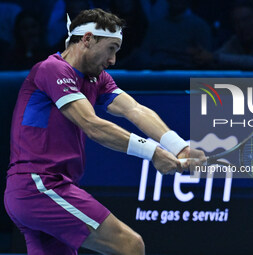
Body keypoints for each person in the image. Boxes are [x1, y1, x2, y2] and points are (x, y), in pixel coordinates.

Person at [4, 8, 204, 255]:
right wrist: (153, 152)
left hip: (38, 190)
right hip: (40, 185)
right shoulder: (52, 69)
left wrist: (179, 147)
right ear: (87, 39)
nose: (113, 60)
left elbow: (134, 110)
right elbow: (93, 125)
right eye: (111, 49)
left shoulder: (95, 78)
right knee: (130, 245)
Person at [192, 0, 253, 70]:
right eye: (236, 22)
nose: (242, 26)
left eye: (246, 20)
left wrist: (214, 58)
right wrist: (201, 56)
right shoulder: (235, 41)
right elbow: (216, 57)